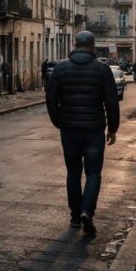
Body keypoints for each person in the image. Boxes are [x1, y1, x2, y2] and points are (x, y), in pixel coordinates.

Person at [45, 31, 119, 236]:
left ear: (75, 45)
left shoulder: (60, 68)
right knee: (93, 172)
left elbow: (51, 99)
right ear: (93, 47)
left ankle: (75, 216)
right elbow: (111, 101)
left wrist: (58, 121)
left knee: (73, 172)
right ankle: (88, 210)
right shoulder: (102, 70)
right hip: (94, 128)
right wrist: (113, 128)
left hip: (69, 128)